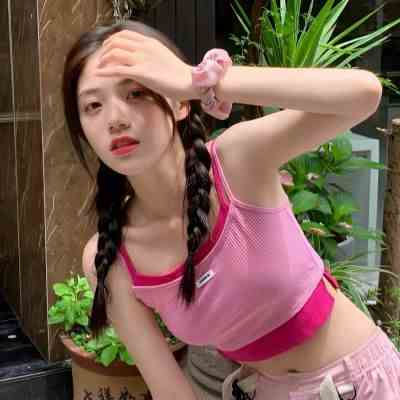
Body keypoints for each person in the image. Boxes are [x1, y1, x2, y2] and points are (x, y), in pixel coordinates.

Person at [62, 19, 400, 400]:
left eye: (136, 92)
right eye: (93, 105)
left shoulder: (236, 162)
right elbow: (171, 392)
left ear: (178, 102)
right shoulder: (110, 258)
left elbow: (364, 94)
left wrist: (204, 80)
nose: (115, 119)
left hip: (361, 384)